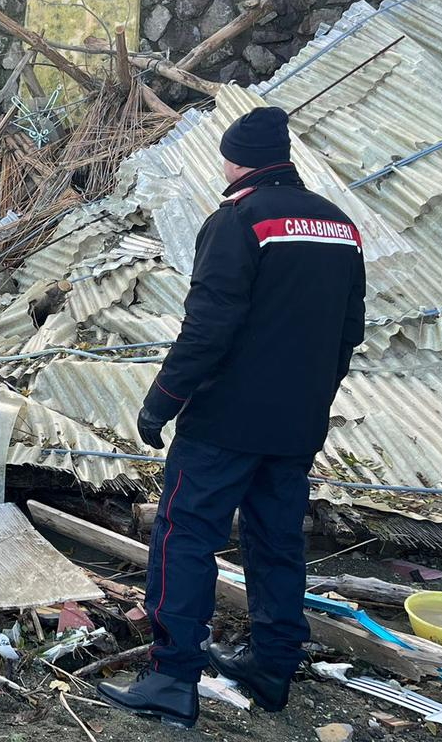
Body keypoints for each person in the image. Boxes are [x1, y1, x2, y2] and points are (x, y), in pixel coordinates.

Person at [98, 106, 366, 729]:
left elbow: (208, 328)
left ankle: (172, 677)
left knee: (185, 535)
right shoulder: (340, 226)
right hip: (296, 424)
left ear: (234, 161)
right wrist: (312, 398)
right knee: (277, 540)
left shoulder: (239, 221)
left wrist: (162, 399)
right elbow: (349, 331)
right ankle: (272, 665)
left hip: (224, 422)